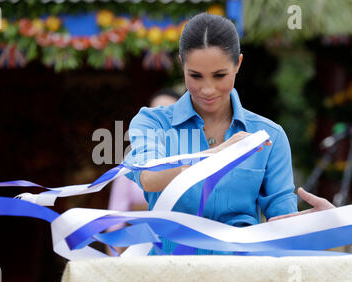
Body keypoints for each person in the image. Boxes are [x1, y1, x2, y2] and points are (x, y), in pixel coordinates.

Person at [123, 12, 334, 255]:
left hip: (241, 277)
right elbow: (149, 176)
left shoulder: (270, 136)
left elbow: (282, 225)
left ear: (238, 64)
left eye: (219, 75)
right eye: (195, 76)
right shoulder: (152, 122)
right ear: (181, 64)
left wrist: (324, 225)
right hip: (167, 275)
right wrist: (217, 155)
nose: (208, 89)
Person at [106, 89, 180, 255]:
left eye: (168, 113)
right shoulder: (133, 161)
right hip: (139, 251)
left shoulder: (193, 158)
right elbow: (115, 221)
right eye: (155, 113)